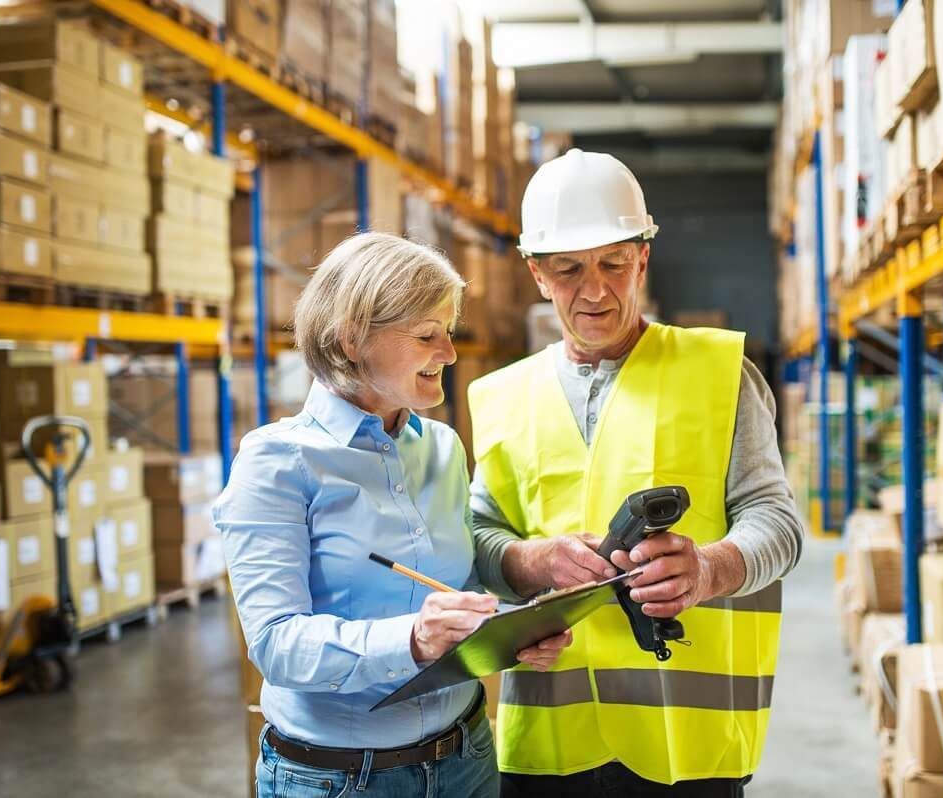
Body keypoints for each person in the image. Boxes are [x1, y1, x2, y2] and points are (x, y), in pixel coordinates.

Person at [467, 149, 804, 798]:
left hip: (688, 750)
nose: (595, 290)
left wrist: (711, 568)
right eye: (568, 269)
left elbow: (778, 523)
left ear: (643, 260)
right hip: (547, 750)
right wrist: (530, 562)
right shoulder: (503, 397)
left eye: (613, 264)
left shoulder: (719, 374)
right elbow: (480, 535)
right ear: (537, 273)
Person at [214, 233, 572, 798]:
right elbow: (277, 645)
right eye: (427, 335)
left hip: (466, 758)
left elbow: (462, 584)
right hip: (340, 778)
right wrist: (413, 640)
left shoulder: (443, 448)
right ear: (352, 339)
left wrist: (512, 627)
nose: (449, 354)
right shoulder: (277, 462)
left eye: (448, 333)